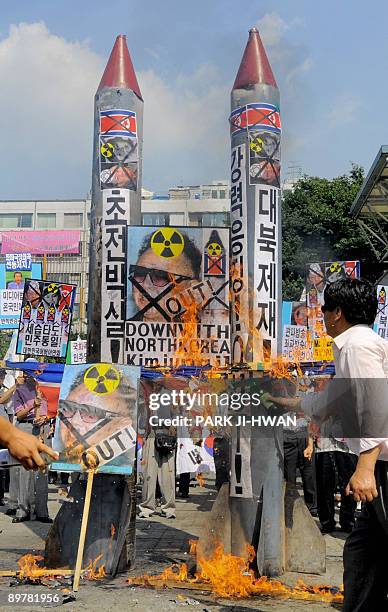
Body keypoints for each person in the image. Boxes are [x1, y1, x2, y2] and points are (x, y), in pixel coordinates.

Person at [269, 278, 388, 610]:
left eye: (323, 309)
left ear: (337, 313)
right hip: (379, 464)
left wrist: (364, 469)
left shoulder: (357, 346)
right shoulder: (354, 346)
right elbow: (326, 402)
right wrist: (280, 401)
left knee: (368, 551)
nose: (319, 316)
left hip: (383, 466)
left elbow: (374, 407)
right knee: (361, 552)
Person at [129, 231, 202, 322]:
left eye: (160, 276)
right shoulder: (120, 333)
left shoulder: (208, 334)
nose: (146, 284)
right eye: (140, 273)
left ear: (192, 291)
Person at [10, 372, 52, 523]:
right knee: (24, 470)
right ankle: (23, 510)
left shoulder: (48, 388)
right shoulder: (20, 391)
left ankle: (42, 511)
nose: (31, 376)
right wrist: (32, 406)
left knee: (43, 470)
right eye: (28, 373)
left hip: (43, 429)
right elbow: (19, 415)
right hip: (26, 428)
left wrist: (46, 419)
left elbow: (54, 409)